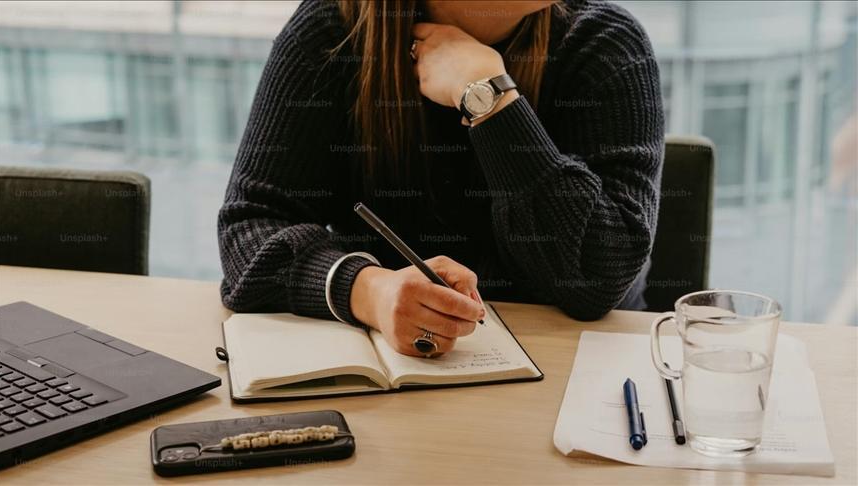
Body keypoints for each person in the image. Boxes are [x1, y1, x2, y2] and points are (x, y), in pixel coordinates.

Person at [217, 0, 664, 357]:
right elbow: (249, 225)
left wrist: (489, 97)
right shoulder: (336, 29)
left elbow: (597, 277)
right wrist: (369, 290)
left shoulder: (604, 42)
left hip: (574, 372)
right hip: (399, 368)